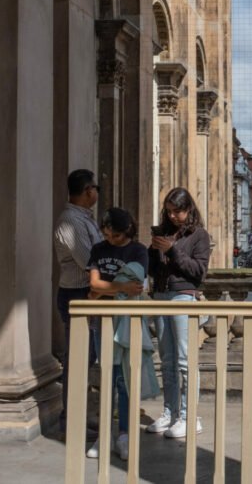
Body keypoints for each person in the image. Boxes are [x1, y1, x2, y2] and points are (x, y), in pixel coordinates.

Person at [146, 187, 211, 439]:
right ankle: (170, 412)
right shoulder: (163, 232)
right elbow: (153, 270)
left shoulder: (199, 235)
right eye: (169, 211)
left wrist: (172, 250)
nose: (173, 216)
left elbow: (198, 272)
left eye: (178, 211)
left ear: (189, 209)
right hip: (161, 294)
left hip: (184, 295)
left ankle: (189, 416)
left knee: (185, 360)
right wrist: (153, 251)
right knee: (168, 359)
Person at [85, 207, 148, 461]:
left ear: (125, 232)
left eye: (114, 236)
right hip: (102, 320)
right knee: (107, 375)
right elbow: (93, 284)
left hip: (127, 319)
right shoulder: (99, 249)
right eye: (106, 235)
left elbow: (136, 287)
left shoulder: (138, 251)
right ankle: (105, 434)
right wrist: (118, 286)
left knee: (124, 379)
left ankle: (124, 434)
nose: (109, 240)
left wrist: (103, 290)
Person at [52, 169, 103, 433]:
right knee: (77, 360)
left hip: (88, 294)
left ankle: (77, 416)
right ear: (87, 191)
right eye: (96, 188)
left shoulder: (85, 219)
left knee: (87, 357)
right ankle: (70, 421)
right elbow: (89, 261)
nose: (97, 193)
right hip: (77, 295)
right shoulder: (70, 222)